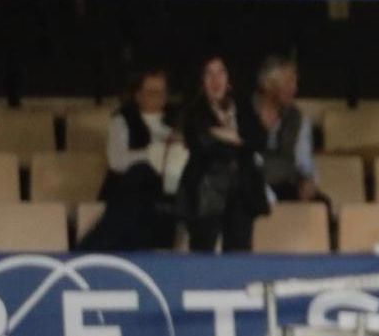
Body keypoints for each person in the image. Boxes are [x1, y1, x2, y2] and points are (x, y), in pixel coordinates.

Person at [79, 67, 181, 251]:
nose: (157, 96)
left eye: (161, 92)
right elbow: (117, 161)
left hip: (165, 191)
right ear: (138, 94)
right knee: (140, 172)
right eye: (151, 92)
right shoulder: (123, 120)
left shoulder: (177, 123)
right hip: (128, 188)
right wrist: (153, 152)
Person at [178, 56, 269, 253]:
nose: (215, 79)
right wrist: (242, 141)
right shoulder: (194, 111)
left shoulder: (243, 107)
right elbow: (203, 144)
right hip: (206, 193)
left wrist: (233, 137)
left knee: (239, 254)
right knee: (203, 254)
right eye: (209, 74)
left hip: (242, 192)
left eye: (221, 72)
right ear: (201, 80)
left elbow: (260, 139)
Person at [241, 55, 319, 203]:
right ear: (268, 84)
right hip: (248, 186)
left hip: (284, 185)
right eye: (289, 81)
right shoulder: (242, 112)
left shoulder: (297, 119)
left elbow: (304, 162)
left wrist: (308, 180)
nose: (295, 88)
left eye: (295, 82)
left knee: (321, 204)